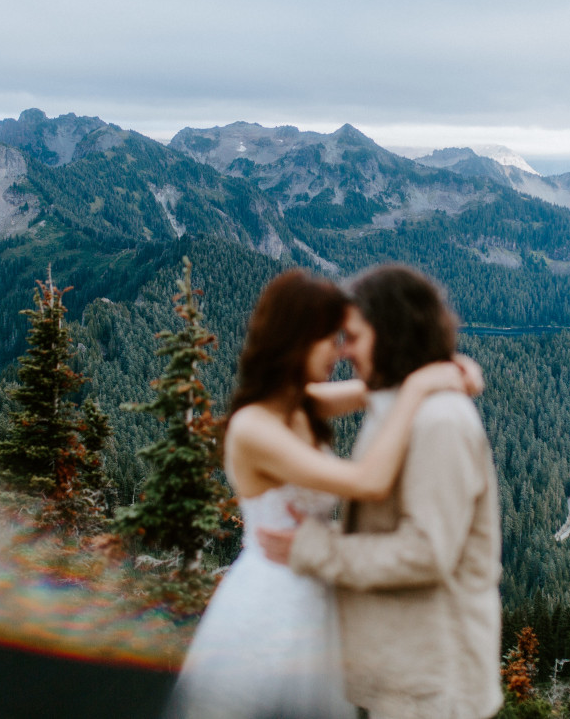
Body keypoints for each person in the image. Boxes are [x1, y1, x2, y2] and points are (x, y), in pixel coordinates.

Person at [167, 268, 480, 719]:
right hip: (271, 607)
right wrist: (419, 387)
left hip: (319, 591)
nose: (340, 350)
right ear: (296, 339)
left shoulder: (300, 402)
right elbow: (369, 482)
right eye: (329, 338)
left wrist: (447, 367)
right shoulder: (254, 427)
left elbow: (377, 386)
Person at [258, 264, 503, 719]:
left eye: (352, 336)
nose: (344, 349)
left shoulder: (440, 422)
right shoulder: (396, 402)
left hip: (432, 683)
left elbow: (427, 552)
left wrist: (316, 547)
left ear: (389, 332)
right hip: (402, 672)